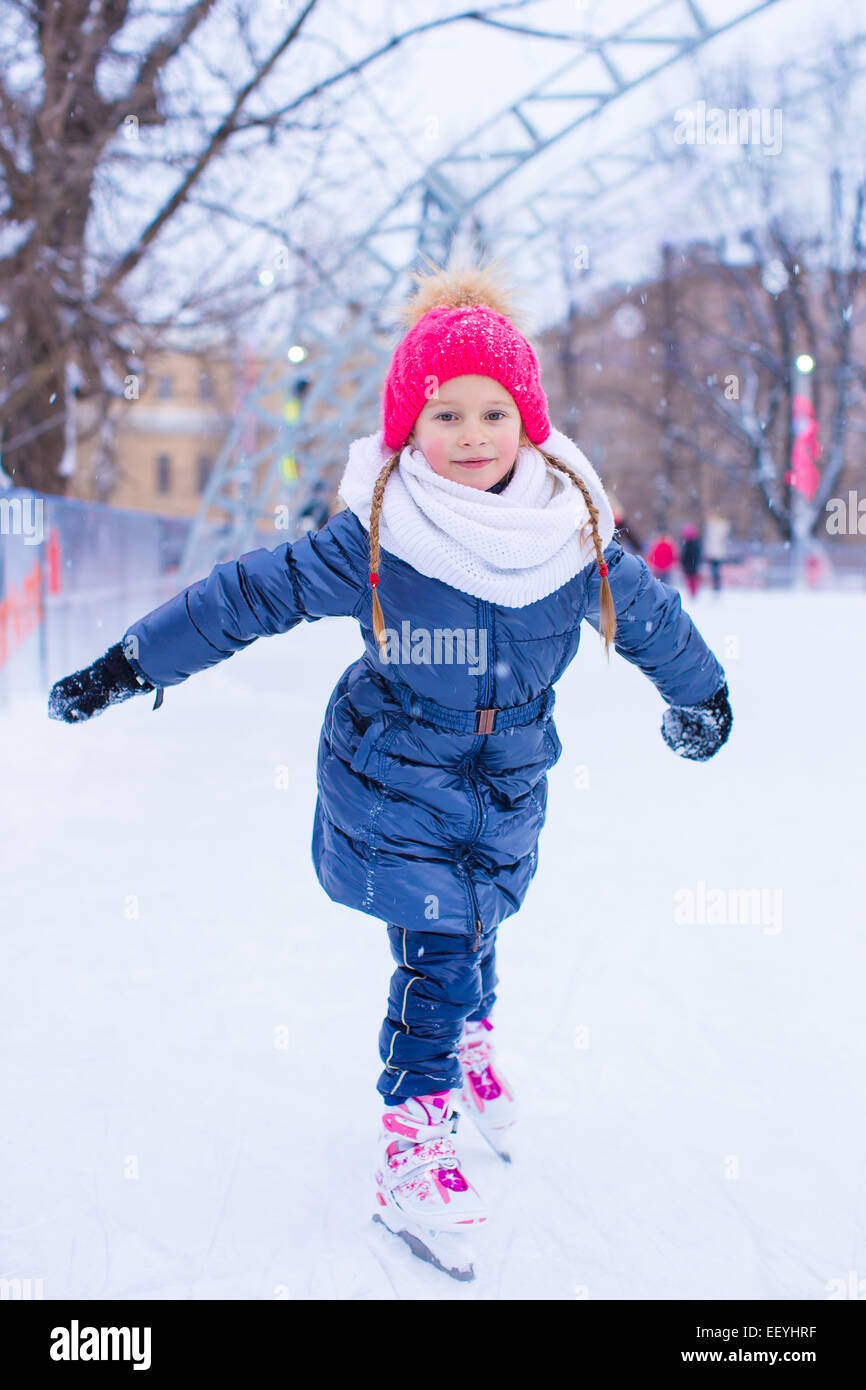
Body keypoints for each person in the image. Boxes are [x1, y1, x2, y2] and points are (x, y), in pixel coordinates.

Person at [47, 260, 733, 1281]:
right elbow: (244, 596)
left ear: (527, 420)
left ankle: (467, 1034)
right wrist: (130, 664)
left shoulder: (571, 537)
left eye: (489, 412)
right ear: (409, 426)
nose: (467, 434)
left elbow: (655, 624)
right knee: (442, 940)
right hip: (395, 773)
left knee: (480, 913)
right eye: (442, 413)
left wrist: (699, 696)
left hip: (506, 778)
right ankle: (411, 1151)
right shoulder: (380, 537)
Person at [704, 513, 730, 593]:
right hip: (716, 553)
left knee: (715, 572)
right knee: (716, 572)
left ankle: (716, 587)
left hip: (715, 554)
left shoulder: (713, 528)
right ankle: (716, 587)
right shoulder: (719, 528)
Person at [679, 524, 702, 598]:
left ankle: (692, 592)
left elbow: (685, 554)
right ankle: (693, 592)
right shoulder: (696, 543)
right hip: (693, 564)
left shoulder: (687, 543)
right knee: (692, 579)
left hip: (690, 564)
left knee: (690, 579)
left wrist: (683, 562)